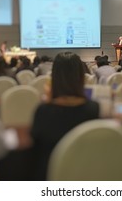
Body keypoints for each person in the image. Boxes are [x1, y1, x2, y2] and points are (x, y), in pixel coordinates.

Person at [30, 52, 100, 180]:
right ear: (81, 76)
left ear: (54, 77)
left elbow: (34, 151)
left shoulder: (43, 111)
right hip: (85, 177)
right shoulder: (94, 109)